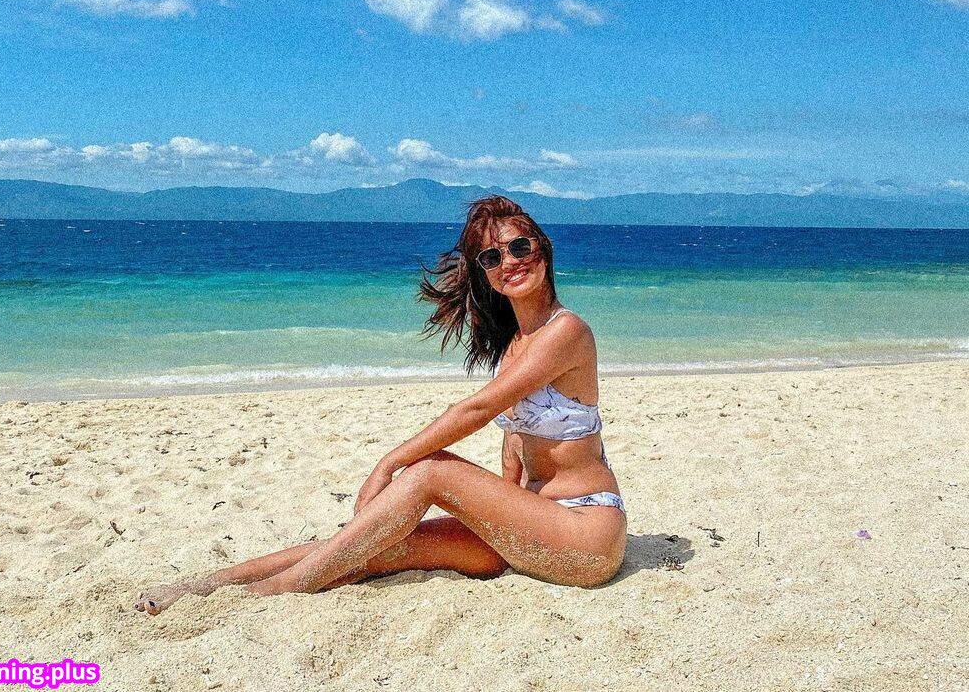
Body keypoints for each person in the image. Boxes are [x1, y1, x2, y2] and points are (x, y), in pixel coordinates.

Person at [134, 195, 626, 614]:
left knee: (432, 470)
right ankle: (211, 584)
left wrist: (388, 464)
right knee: (374, 546)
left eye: (520, 247)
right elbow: (515, 446)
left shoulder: (566, 331)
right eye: (492, 257)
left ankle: (274, 591)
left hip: (585, 534)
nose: (509, 262)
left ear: (543, 249)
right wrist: (498, 512)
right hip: (536, 527)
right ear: (485, 274)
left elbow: (473, 413)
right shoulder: (515, 345)